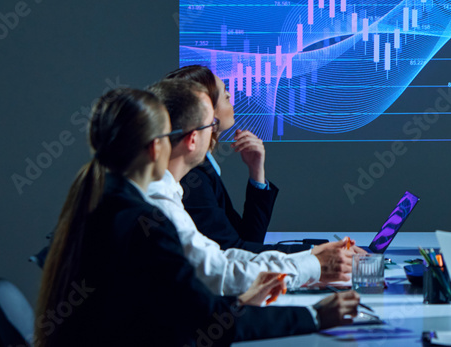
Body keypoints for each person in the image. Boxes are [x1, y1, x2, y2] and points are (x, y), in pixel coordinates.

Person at [35, 87, 359, 347]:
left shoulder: (100, 198)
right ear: (154, 148)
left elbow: (182, 306)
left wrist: (240, 302)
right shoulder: (145, 221)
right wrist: (315, 317)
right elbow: (208, 324)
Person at [145, 79, 353, 294]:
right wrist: (314, 265)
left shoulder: (170, 191)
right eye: (210, 124)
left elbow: (224, 255)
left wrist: (312, 257)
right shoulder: (166, 198)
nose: (214, 132)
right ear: (193, 138)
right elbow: (222, 271)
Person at [166, 65, 296, 253]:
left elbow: (248, 239)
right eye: (226, 95)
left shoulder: (204, 168)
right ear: (206, 110)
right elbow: (232, 251)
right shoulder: (192, 177)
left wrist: (256, 172)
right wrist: (314, 254)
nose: (231, 100)